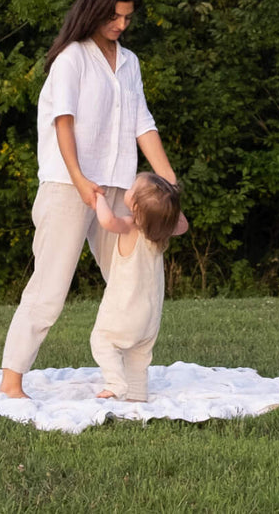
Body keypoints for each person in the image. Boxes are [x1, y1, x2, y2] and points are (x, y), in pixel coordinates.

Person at [0, 0, 182, 400]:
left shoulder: (130, 63)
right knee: (50, 286)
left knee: (135, 280)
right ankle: (11, 381)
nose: (121, 25)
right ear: (94, 10)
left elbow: (143, 124)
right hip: (68, 185)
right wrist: (81, 181)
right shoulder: (72, 59)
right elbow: (64, 122)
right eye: (114, 16)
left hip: (120, 188)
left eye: (127, 18)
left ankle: (127, 377)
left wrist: (168, 180)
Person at [89, 172, 187, 401]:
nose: (128, 189)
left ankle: (116, 383)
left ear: (136, 205)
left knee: (102, 340)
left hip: (124, 311)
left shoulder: (131, 226)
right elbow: (181, 226)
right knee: (139, 356)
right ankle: (138, 395)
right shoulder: (160, 233)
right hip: (150, 317)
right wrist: (170, 206)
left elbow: (107, 221)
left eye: (132, 189)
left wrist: (98, 198)